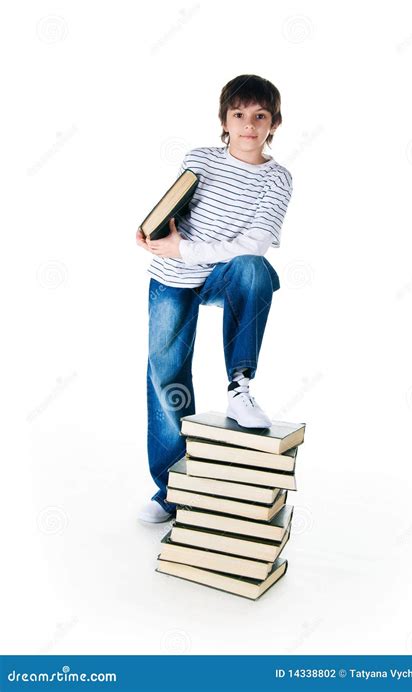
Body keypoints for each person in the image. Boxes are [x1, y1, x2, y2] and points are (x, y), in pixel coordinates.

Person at [136, 74, 293, 523]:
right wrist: (150, 228)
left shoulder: (277, 180)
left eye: (259, 116)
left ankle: (240, 387)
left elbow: (255, 245)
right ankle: (170, 489)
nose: (248, 125)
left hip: (223, 275)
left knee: (254, 268)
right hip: (172, 275)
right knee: (167, 374)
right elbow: (174, 208)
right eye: (239, 115)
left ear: (273, 123)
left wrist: (186, 248)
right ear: (224, 120)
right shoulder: (199, 159)